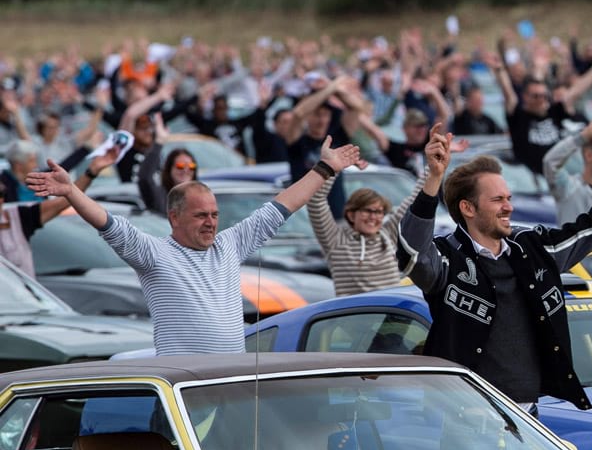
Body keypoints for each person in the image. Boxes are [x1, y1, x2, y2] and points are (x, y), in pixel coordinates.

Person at [399, 108, 592, 410]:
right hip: (465, 416)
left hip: (531, 416)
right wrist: (433, 179)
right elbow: (411, 251)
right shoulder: (447, 258)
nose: (508, 207)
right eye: (497, 200)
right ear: (468, 209)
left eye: (508, 198)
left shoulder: (532, 250)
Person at [28, 137, 365, 354]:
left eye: (215, 215)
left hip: (229, 380)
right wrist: (72, 192)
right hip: (183, 387)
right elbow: (106, 221)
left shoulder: (229, 244)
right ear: (174, 218)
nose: (211, 222)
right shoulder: (153, 253)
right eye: (201, 215)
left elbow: (283, 205)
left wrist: (325, 168)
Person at [1, 142, 119, 277]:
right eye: (31, 160)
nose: (35, 165)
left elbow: (64, 197)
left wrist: (90, 171)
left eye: (2, 194)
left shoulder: (17, 216)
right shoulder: (9, 186)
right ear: (18, 165)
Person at [307, 180, 409, 296]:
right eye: (367, 211)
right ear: (351, 215)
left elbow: (415, 200)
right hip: (357, 313)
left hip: (390, 312)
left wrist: (433, 170)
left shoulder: (388, 234)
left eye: (379, 212)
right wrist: (334, 166)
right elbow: (315, 200)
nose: (373, 217)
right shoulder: (335, 239)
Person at [140, 147, 198, 214]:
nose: (185, 170)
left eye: (191, 166)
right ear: (169, 169)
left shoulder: (200, 196)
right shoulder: (159, 195)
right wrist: (157, 144)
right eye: (180, 166)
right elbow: (144, 178)